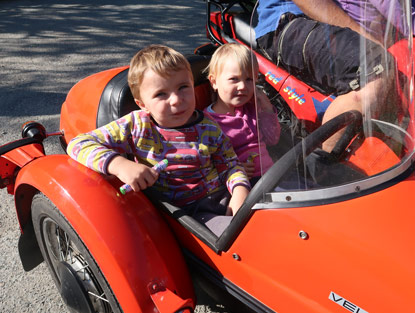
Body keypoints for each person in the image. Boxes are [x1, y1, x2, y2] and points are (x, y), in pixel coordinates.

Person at [67, 44, 251, 227]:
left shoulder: (209, 126)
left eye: (183, 87)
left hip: (222, 198)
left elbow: (230, 164)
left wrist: (240, 190)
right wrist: (120, 165)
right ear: (142, 104)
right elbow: (77, 144)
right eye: (161, 94)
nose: (177, 99)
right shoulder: (137, 125)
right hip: (184, 215)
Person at [255, 0, 396, 152]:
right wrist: (369, 40)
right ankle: (327, 170)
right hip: (291, 20)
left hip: (351, 30)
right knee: (374, 67)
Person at [204, 43, 280, 186]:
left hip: (272, 176)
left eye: (249, 79)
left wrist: (266, 107)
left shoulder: (252, 109)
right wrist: (231, 170)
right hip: (245, 185)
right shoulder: (208, 122)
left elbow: (273, 139)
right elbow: (207, 162)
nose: (243, 86)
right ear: (214, 82)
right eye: (234, 79)